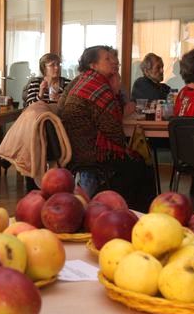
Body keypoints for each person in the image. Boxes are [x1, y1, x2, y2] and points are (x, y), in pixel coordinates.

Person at [61, 45, 155, 211]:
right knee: (141, 165)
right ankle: (137, 214)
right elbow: (114, 129)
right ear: (93, 65)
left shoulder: (80, 80)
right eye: (107, 59)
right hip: (91, 152)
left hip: (73, 149)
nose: (113, 61)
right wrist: (116, 91)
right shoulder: (98, 85)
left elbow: (61, 105)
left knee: (136, 163)